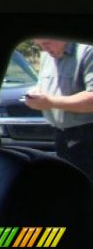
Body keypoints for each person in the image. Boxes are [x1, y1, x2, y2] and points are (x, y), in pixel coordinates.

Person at [24, 38, 93, 179]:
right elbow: (42, 85)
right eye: (40, 45)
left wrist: (50, 102)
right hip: (60, 134)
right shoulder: (47, 56)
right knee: (68, 182)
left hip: (87, 135)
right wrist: (34, 94)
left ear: (59, 35)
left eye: (46, 43)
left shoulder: (87, 51)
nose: (44, 48)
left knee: (85, 183)